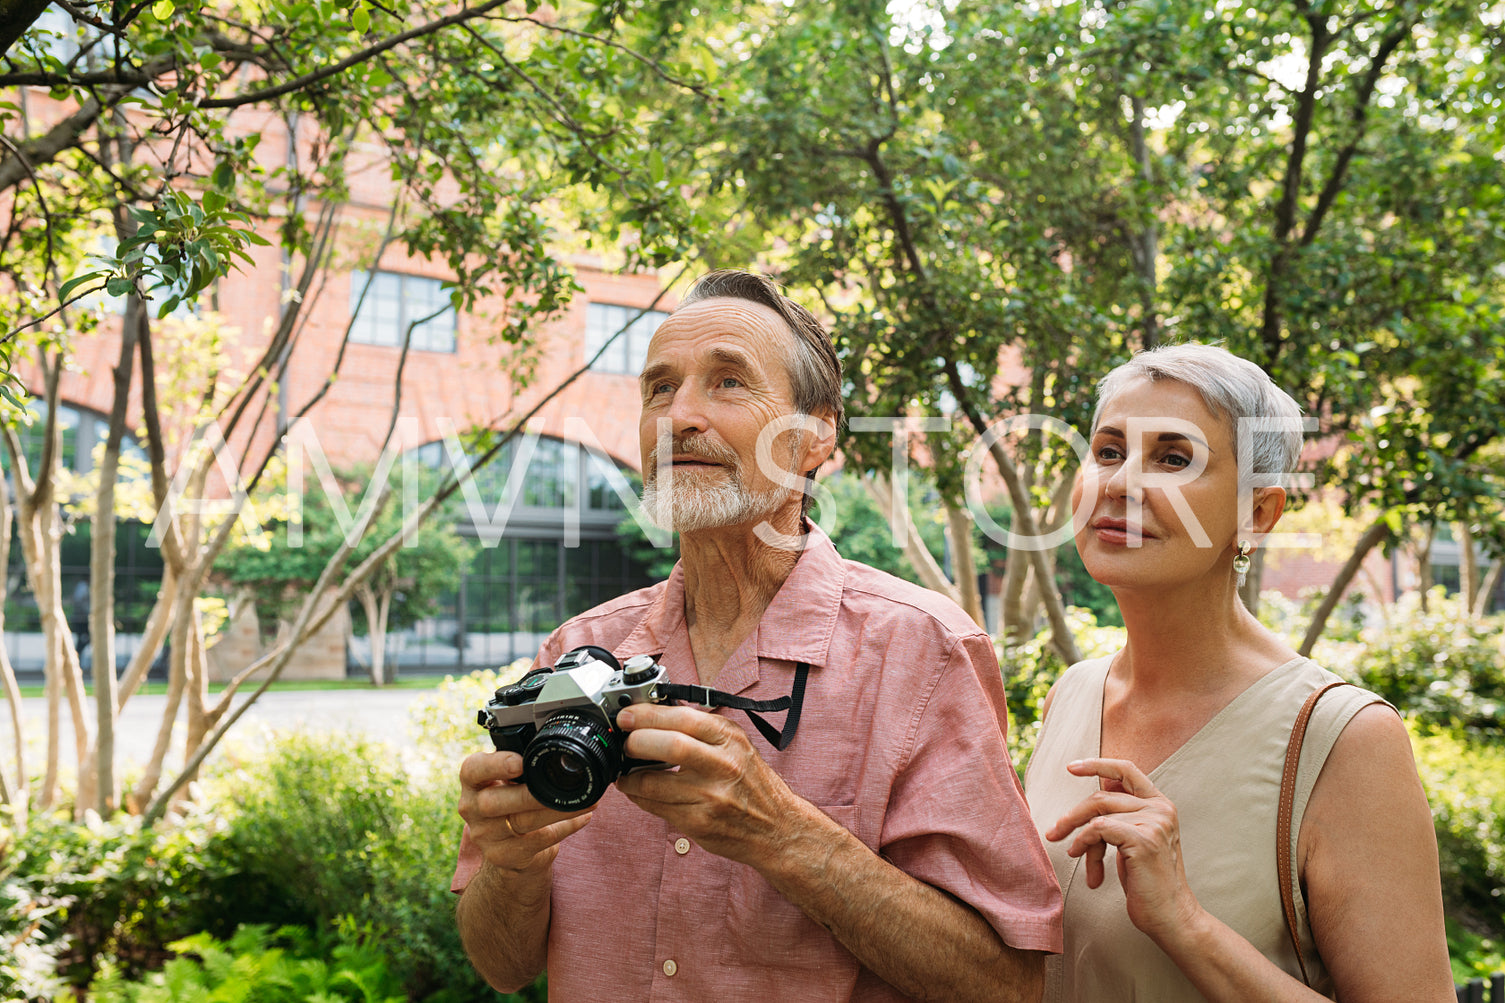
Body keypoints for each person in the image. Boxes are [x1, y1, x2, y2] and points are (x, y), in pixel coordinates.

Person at [453, 269, 1062, 1001]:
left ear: (816, 434)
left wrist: (779, 833)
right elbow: (500, 963)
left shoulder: (923, 651)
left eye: (728, 383)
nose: (679, 415)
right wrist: (513, 864)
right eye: (658, 387)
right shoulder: (576, 649)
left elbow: (1011, 983)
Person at [1025, 343, 1454, 1001]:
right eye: (1108, 451)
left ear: (1256, 513)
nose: (1120, 483)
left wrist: (1185, 922)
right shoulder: (1070, 696)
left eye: (1173, 458)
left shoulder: (1343, 738)